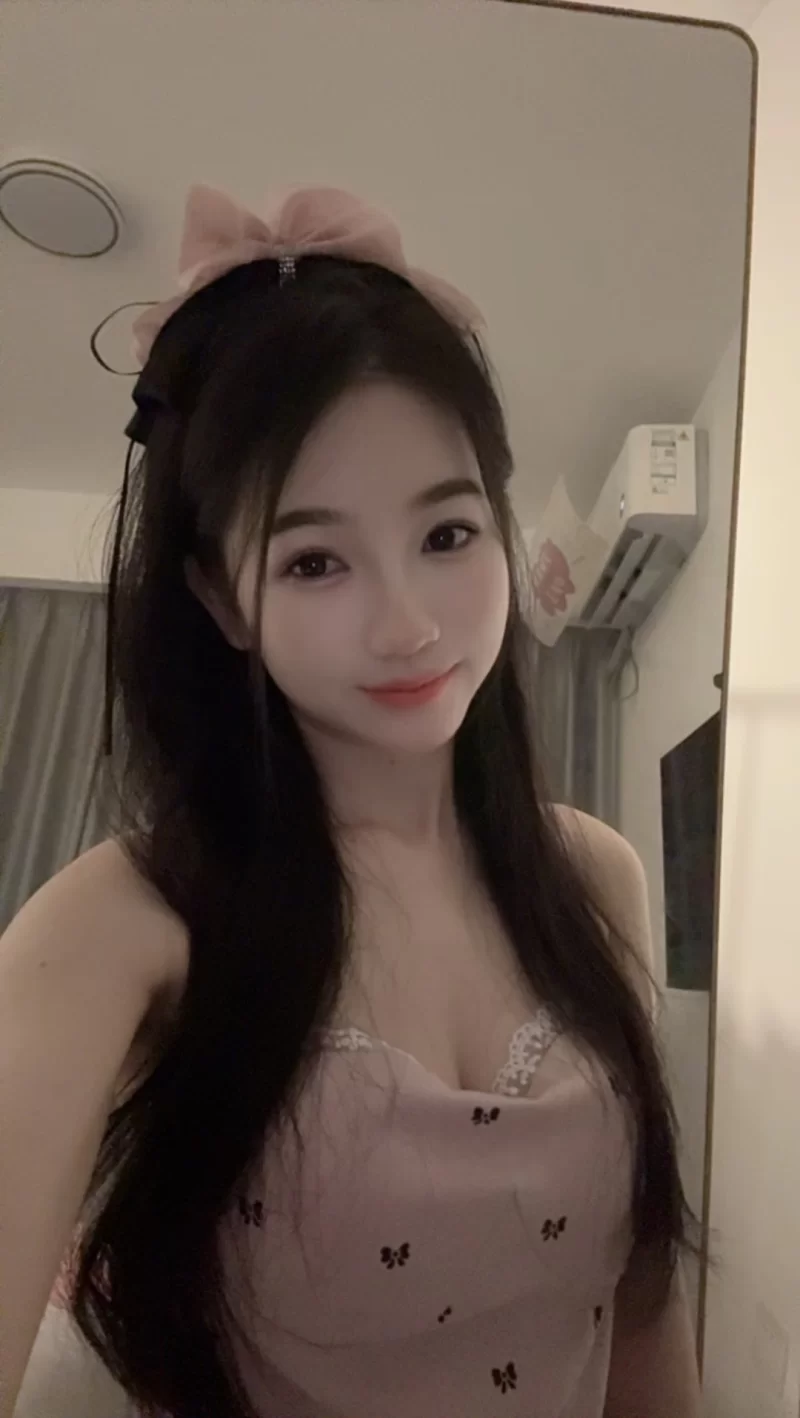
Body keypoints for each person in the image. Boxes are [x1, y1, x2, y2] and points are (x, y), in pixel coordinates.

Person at [0, 185, 702, 1418]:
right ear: (222, 599)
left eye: (446, 533)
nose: (408, 623)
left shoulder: (595, 876)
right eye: (315, 559)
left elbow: (639, 1306)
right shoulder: (116, 927)